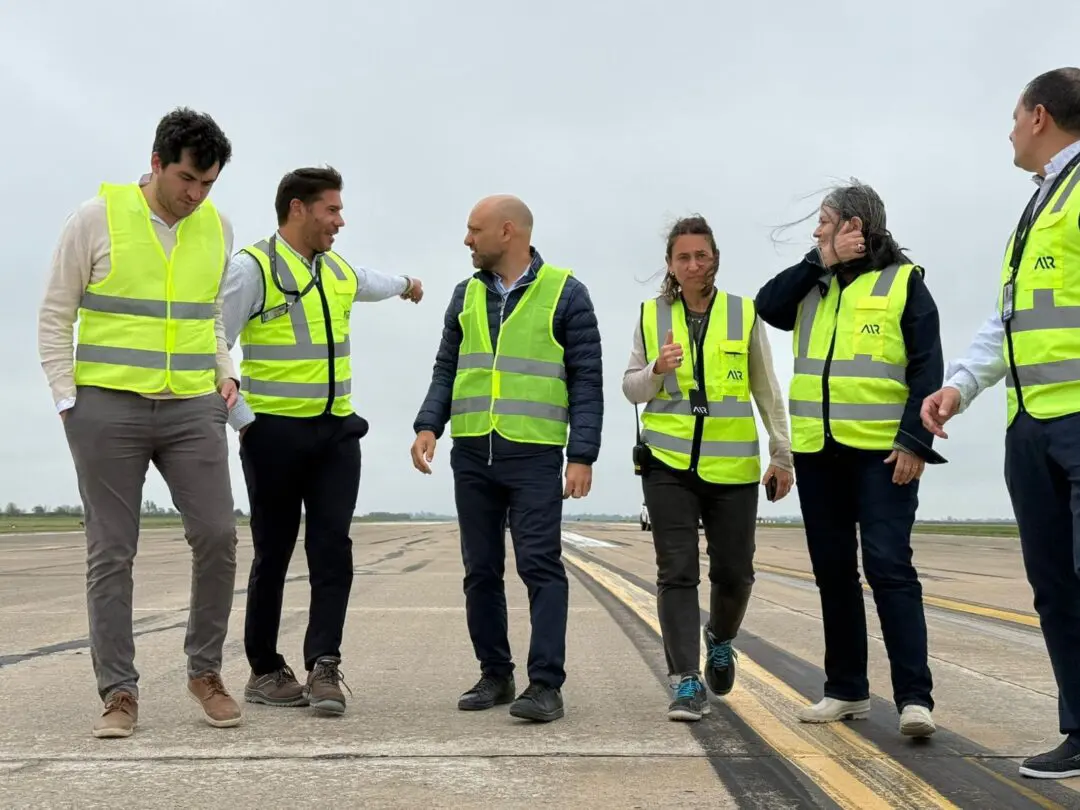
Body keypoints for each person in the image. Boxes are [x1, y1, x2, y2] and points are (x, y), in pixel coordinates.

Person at [37, 107, 243, 738]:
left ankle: (204, 671)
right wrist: (68, 401)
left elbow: (208, 315)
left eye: (207, 184)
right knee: (112, 552)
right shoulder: (94, 219)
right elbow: (54, 314)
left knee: (218, 536)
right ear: (156, 163)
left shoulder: (217, 227)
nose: (195, 195)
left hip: (190, 408)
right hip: (107, 409)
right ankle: (119, 693)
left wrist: (223, 371)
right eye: (186, 179)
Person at [922, 67, 1080, 778]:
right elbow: (1009, 320)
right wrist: (958, 387)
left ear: (1040, 115)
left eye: (1015, 116)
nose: (1009, 130)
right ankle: (1079, 730)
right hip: (1032, 424)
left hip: (1077, 420)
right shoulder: (1041, 205)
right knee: (1055, 587)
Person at [221, 166, 424, 716]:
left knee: (333, 547)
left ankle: (324, 665)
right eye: (331, 209)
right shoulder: (252, 269)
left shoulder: (334, 270)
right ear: (297, 209)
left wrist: (407, 284)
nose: (340, 220)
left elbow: (371, 280)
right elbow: (214, 340)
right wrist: (243, 419)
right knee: (275, 551)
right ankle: (265, 668)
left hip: (336, 432)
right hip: (273, 435)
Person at [754, 179, 946, 738]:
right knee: (833, 573)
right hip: (818, 452)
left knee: (889, 568)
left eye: (825, 221)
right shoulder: (814, 284)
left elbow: (926, 368)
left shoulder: (905, 284)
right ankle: (846, 690)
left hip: (883, 455)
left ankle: (915, 699)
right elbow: (768, 305)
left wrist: (914, 441)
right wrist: (820, 261)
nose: (817, 230)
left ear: (854, 227)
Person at [410, 194, 602, 723]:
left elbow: (587, 380)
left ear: (508, 232)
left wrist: (582, 453)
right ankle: (496, 673)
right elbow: (446, 367)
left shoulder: (567, 293)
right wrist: (429, 424)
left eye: (474, 230)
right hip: (472, 450)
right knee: (480, 571)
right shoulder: (464, 295)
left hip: (535, 453)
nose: (467, 240)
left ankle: (545, 685)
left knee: (539, 566)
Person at [622, 215, 794, 722]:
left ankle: (720, 639)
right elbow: (630, 388)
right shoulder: (651, 316)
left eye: (701, 255)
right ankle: (686, 680)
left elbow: (767, 390)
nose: (693, 264)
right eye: (683, 257)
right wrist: (656, 370)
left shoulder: (743, 314)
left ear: (714, 258)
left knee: (735, 572)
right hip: (668, 464)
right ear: (671, 265)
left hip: (733, 467)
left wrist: (781, 454)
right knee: (676, 572)